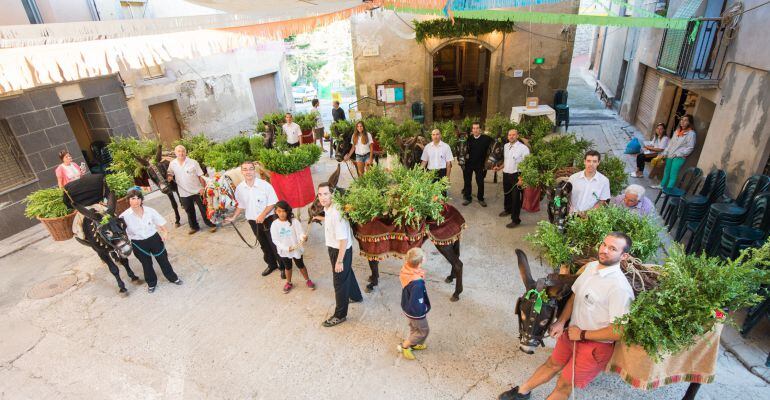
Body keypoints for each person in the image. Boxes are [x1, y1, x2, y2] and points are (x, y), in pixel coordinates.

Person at [498, 232, 635, 400]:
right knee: (552, 364)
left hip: (595, 347)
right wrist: (561, 322)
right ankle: (522, 393)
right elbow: (575, 296)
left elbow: (619, 331)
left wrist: (583, 334)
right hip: (571, 333)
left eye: (613, 248)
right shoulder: (592, 267)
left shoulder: (620, 289)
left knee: (564, 384)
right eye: (604, 244)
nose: (605, 250)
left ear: (624, 255)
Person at [313, 182, 363, 327]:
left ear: (332, 194)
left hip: (340, 250)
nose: (322, 197)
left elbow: (343, 239)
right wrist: (321, 218)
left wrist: (339, 261)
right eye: (320, 194)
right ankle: (355, 296)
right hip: (337, 249)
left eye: (326, 194)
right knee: (347, 273)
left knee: (339, 283)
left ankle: (340, 315)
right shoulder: (329, 208)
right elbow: (331, 219)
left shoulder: (335, 213)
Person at [226, 161, 282, 278]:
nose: (248, 172)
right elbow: (241, 205)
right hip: (253, 221)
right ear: (242, 172)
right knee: (263, 245)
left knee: (274, 244)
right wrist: (234, 217)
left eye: (250, 169)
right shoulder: (240, 188)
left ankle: (282, 266)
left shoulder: (265, 185)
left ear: (254, 170)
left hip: (268, 219)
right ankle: (272, 265)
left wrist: (263, 214)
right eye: (245, 169)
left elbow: (273, 203)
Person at [119, 189, 182, 293]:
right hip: (138, 243)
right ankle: (151, 283)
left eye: (138, 198)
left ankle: (173, 278)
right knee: (146, 264)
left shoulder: (149, 210)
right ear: (128, 200)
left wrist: (165, 232)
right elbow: (121, 233)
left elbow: (160, 222)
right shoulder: (123, 217)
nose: (136, 201)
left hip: (154, 238)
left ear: (141, 199)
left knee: (163, 260)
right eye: (133, 198)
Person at [166, 145, 216, 234]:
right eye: (179, 151)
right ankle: (194, 227)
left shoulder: (193, 162)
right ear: (175, 153)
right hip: (183, 192)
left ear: (186, 152)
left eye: (183, 151)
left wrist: (203, 188)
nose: (181, 153)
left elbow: (200, 175)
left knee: (203, 209)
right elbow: (170, 172)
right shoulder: (172, 164)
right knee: (189, 210)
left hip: (197, 190)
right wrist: (169, 176)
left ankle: (211, 224)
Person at [270, 200, 315, 294]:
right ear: (275, 212)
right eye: (279, 211)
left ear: (288, 211)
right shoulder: (274, 224)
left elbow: (300, 233)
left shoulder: (294, 222)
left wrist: (303, 237)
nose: (282, 214)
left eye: (284, 211)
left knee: (300, 265)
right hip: (285, 251)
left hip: (296, 249)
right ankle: (289, 282)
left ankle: (308, 280)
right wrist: (287, 248)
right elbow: (275, 240)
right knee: (288, 267)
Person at [397, 247, 431, 360]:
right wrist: (424, 308)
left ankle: (414, 344)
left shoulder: (406, 269)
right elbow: (417, 301)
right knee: (423, 330)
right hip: (416, 312)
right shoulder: (417, 283)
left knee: (414, 328)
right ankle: (405, 346)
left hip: (407, 306)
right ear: (420, 263)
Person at [494, 129, 530, 228]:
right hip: (506, 173)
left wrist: (521, 179)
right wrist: (500, 167)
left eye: (513, 135)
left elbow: (527, 165)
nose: (511, 136)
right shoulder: (506, 146)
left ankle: (515, 219)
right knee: (507, 194)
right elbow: (506, 161)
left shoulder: (523, 148)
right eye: (509, 135)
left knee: (516, 199)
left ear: (517, 136)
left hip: (517, 175)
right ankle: (508, 210)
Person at [654, 114, 696, 190]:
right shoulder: (677, 131)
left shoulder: (691, 134)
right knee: (666, 172)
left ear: (689, 123)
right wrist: (665, 153)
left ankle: (668, 190)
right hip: (670, 155)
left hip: (679, 157)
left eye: (685, 120)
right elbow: (670, 143)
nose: (682, 122)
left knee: (673, 174)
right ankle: (662, 186)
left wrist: (678, 154)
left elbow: (690, 148)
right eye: (682, 120)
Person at [462, 122, 493, 207]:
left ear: (480, 129)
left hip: (480, 164)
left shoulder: (487, 139)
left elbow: (495, 145)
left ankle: (480, 198)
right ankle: (468, 198)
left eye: (477, 128)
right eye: (474, 128)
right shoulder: (469, 139)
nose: (475, 130)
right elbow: (463, 148)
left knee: (480, 182)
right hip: (469, 164)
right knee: (467, 181)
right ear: (472, 130)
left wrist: (490, 160)